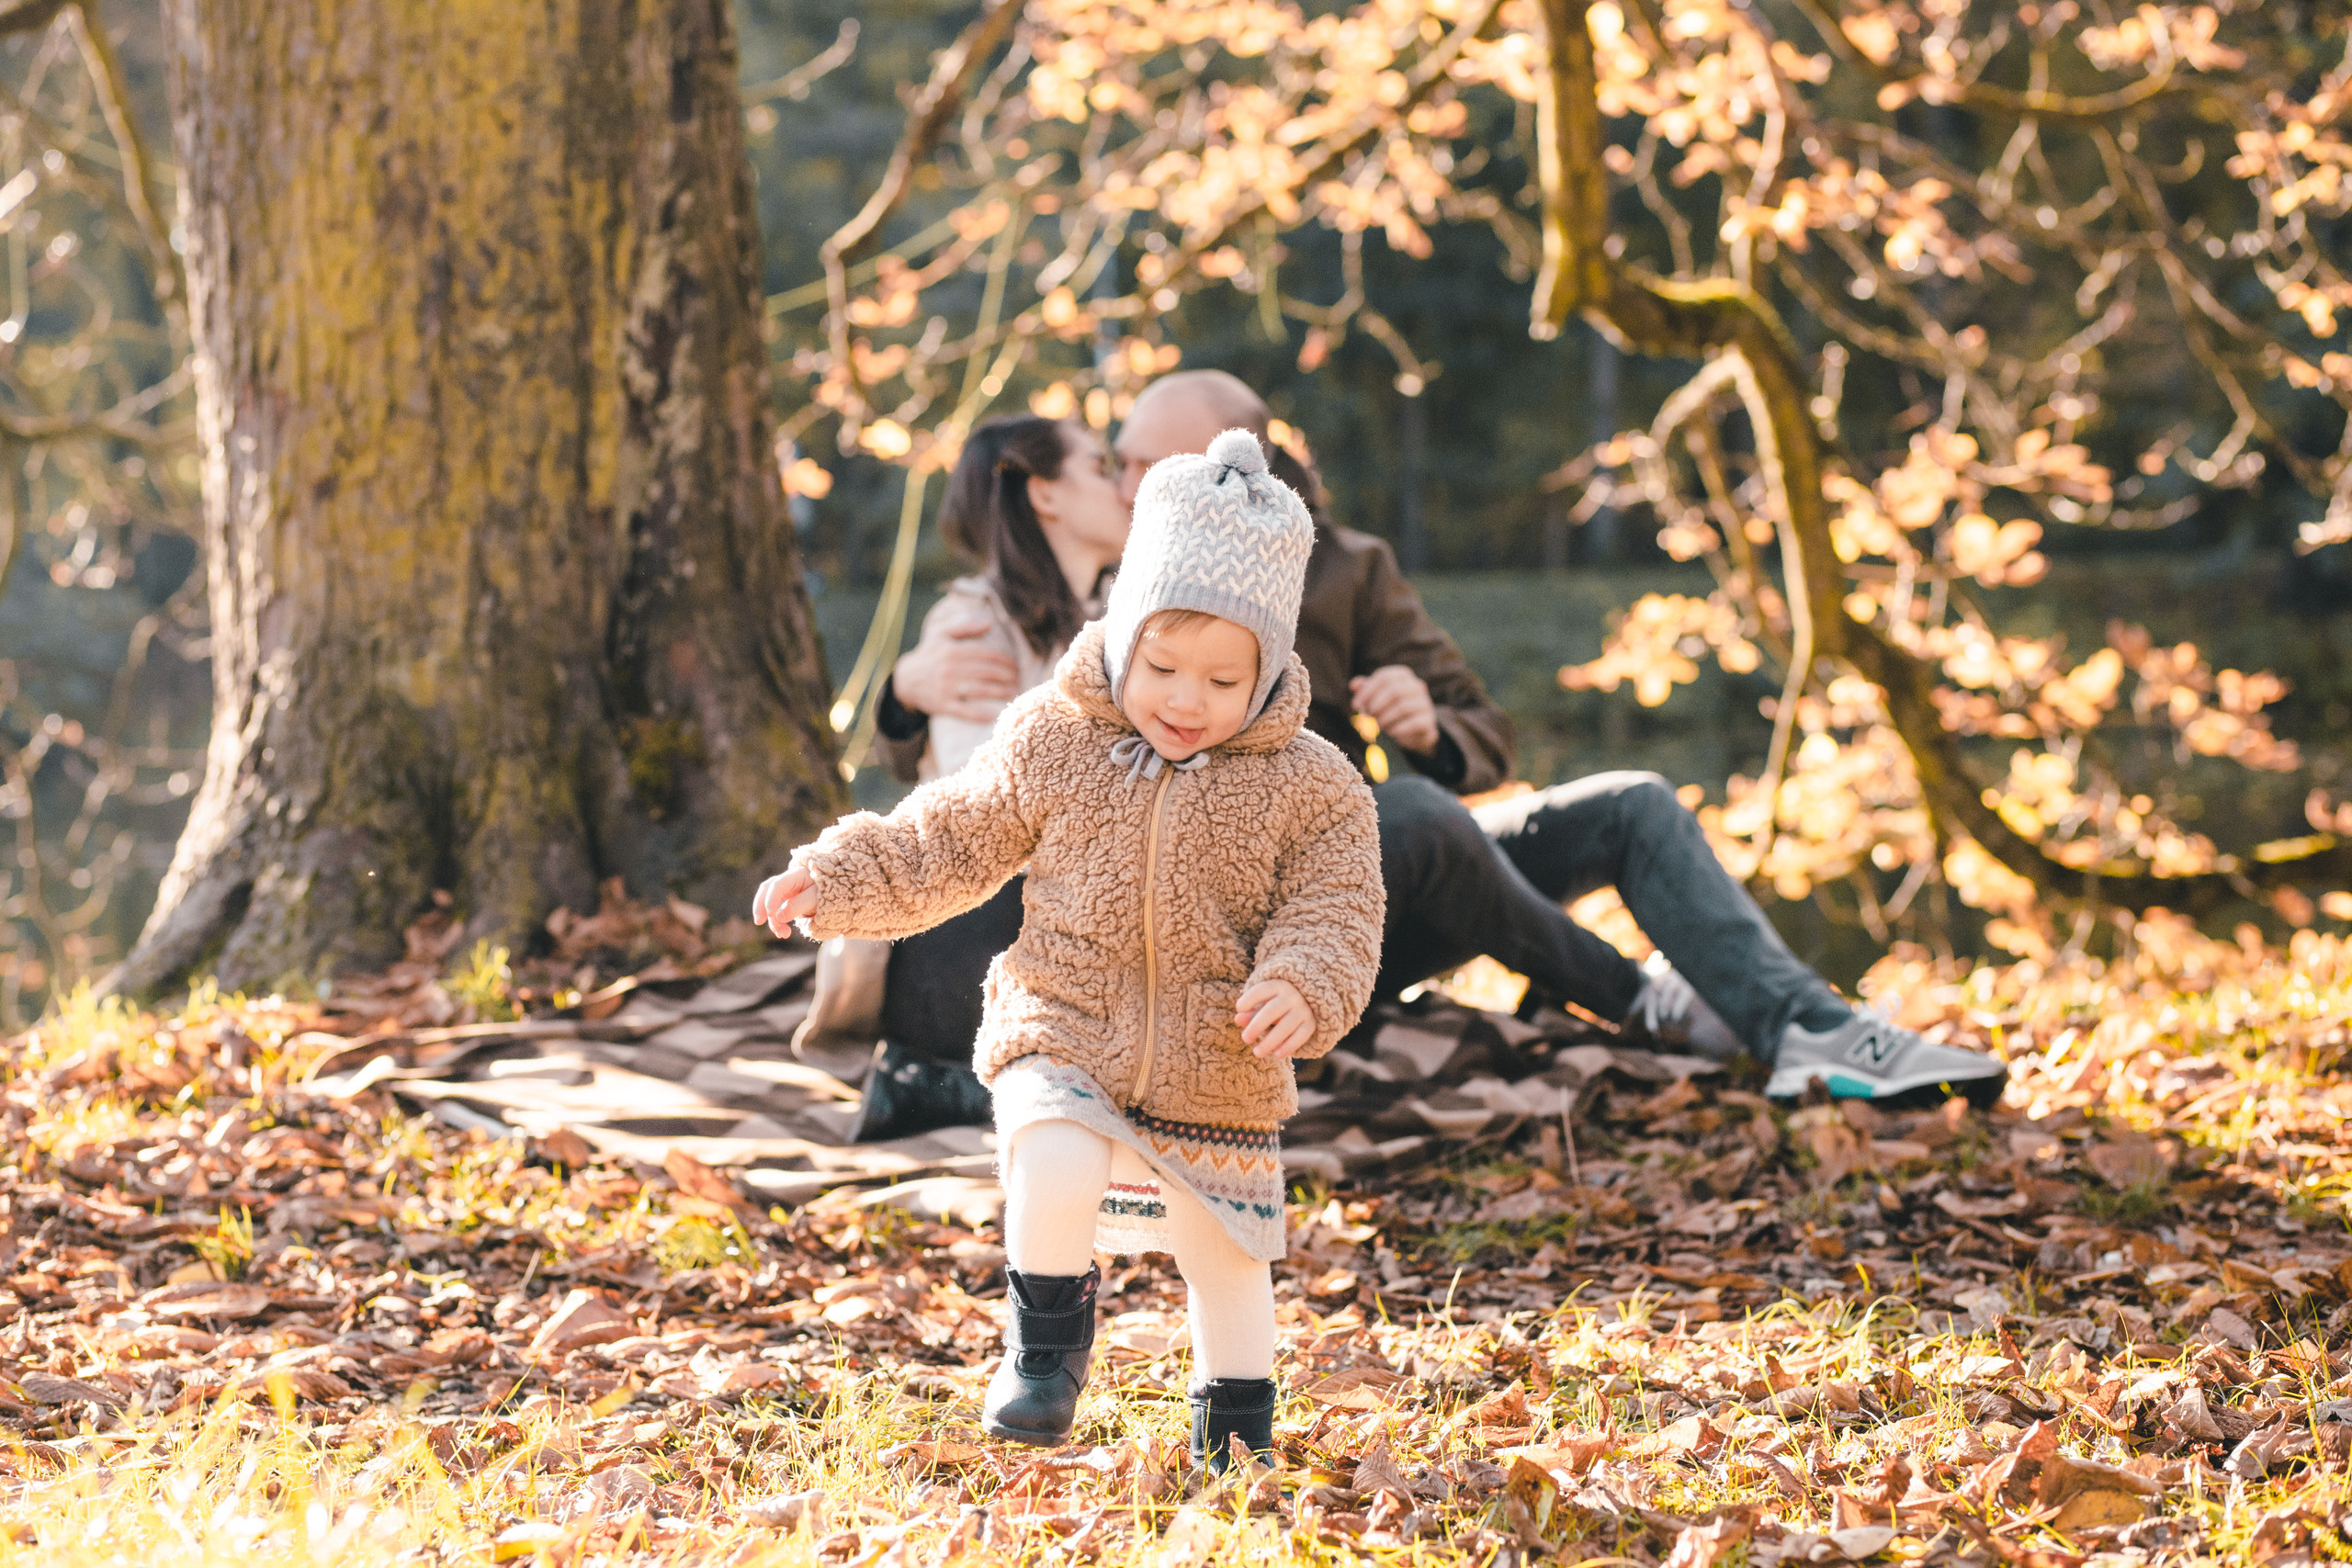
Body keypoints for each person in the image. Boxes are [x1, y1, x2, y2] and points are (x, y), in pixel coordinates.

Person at [869, 370, 2007, 1120]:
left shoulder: (1350, 567)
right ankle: (1647, 999)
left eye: (1143, 466)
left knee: (1625, 801)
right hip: (1238, 907)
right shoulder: (1131, 601)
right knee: (1402, 815)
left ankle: (1809, 1028)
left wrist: (1430, 725)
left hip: (1369, 872)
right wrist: (903, 693)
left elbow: (1486, 737)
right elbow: (1004, 763)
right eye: (1116, 469)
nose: (1129, 488)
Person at [756, 430, 1383, 1469]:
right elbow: (946, 835)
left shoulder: (1311, 786)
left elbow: (1338, 912)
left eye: (1224, 681)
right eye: (1165, 666)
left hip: (1217, 1058)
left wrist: (1302, 986)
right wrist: (840, 876)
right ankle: (1045, 1353)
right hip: (1063, 1019)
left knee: (1225, 1257)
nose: (1186, 701)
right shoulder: (1056, 736)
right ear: (1123, 631)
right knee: (1049, 1149)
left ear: (1270, 672)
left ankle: (1235, 1431)